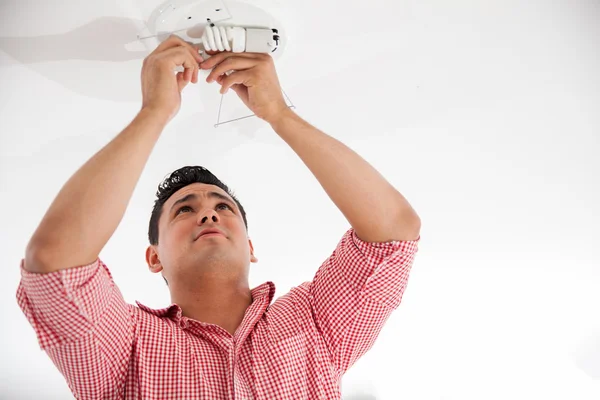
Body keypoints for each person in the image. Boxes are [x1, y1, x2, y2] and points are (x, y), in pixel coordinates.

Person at [16, 35, 421, 399]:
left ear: (250, 246)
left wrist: (279, 113)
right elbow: (56, 261)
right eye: (184, 209)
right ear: (154, 257)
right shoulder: (127, 346)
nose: (208, 211)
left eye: (223, 206)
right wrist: (153, 112)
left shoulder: (314, 321)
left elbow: (393, 232)